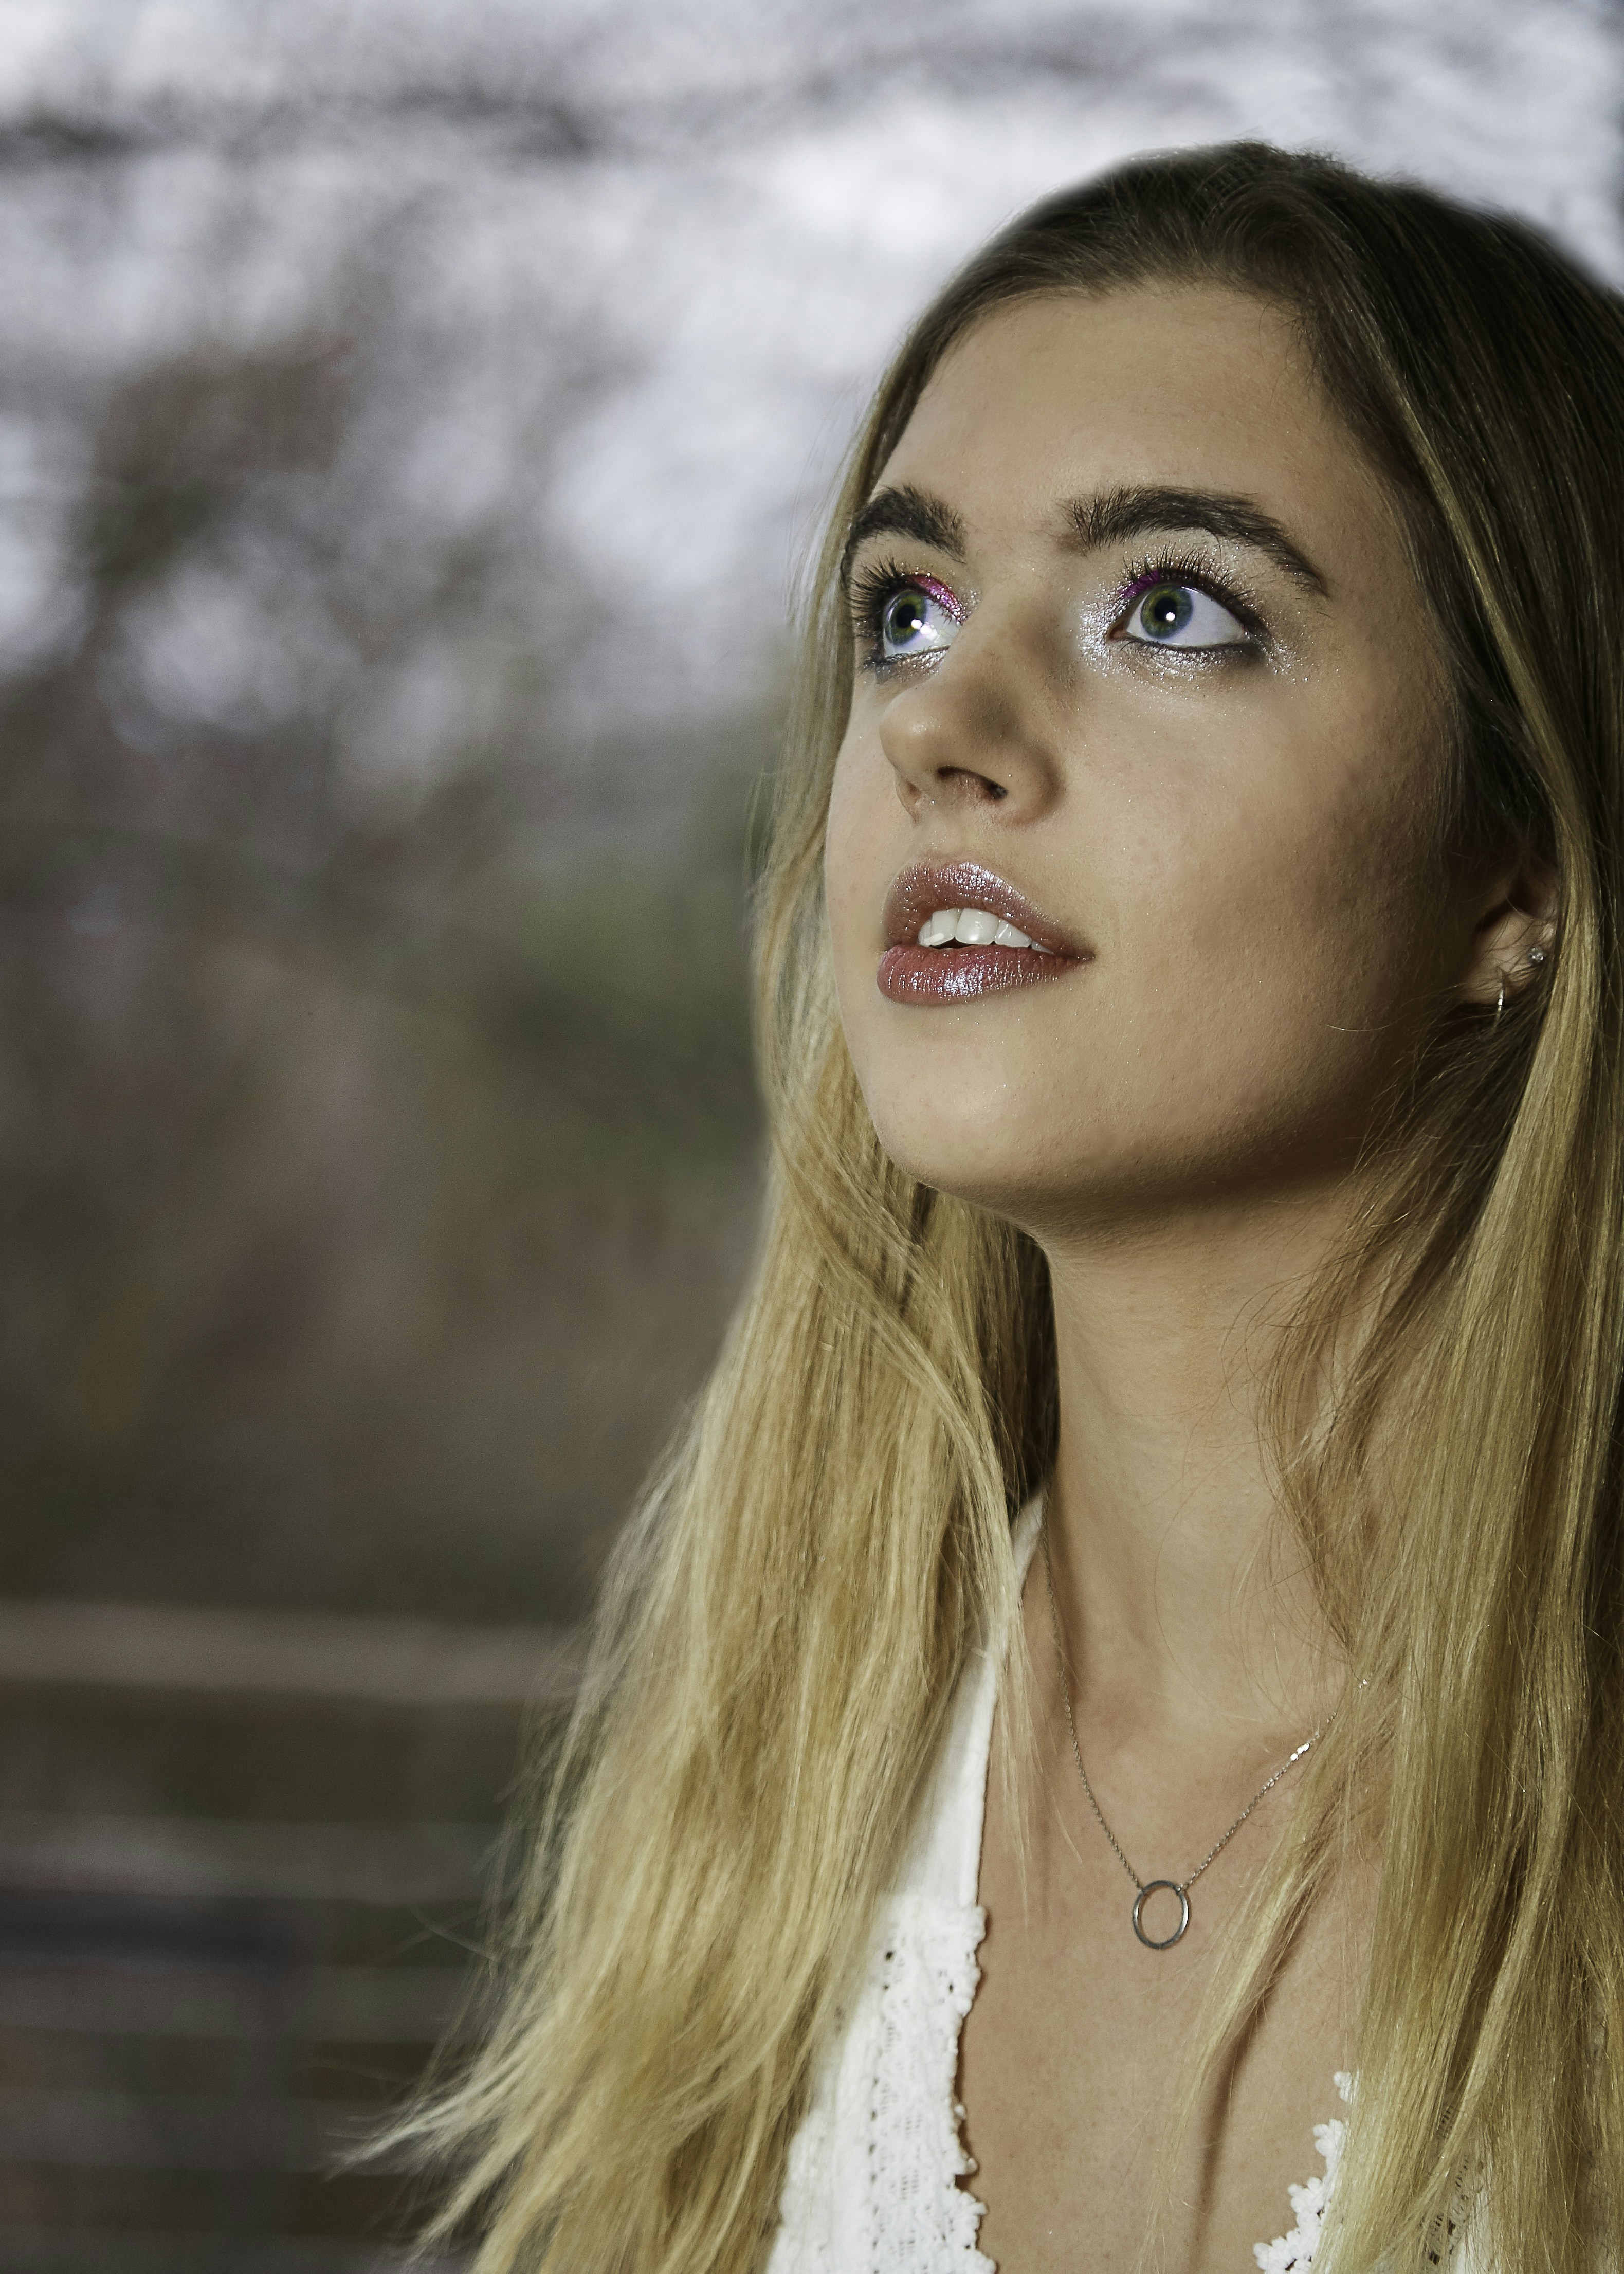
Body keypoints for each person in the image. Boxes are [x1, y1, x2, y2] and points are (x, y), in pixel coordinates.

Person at [411, 143, 1624, 2271]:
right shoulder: (775, 1775)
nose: (941, 729)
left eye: (1171, 606)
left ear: (1509, 871)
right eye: (908, 606)